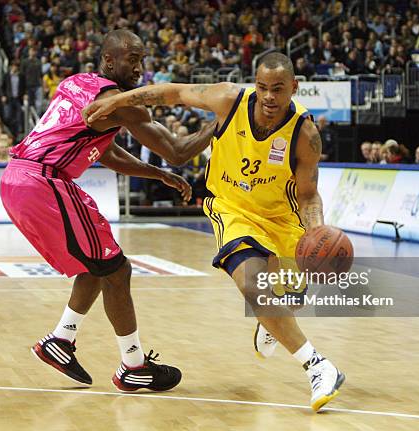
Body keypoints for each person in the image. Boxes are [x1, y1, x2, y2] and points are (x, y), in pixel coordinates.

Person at [84, 52, 345, 412]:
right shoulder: (227, 98)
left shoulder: (305, 134)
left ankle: (274, 319)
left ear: (294, 88)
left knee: (285, 297)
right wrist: (120, 99)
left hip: (283, 218)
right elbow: (172, 93)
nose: (269, 97)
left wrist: (317, 231)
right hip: (232, 209)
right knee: (252, 285)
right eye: (263, 87)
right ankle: (318, 366)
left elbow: (308, 194)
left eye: (278, 89)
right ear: (255, 84)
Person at [1, 30, 215, 392]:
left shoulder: (77, 83)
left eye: (142, 59)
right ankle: (133, 366)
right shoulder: (122, 103)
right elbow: (179, 150)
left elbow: (106, 152)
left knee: (98, 265)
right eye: (133, 59)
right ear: (109, 60)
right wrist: (223, 119)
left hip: (22, 181)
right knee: (117, 270)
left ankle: (61, 340)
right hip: (43, 183)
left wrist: (157, 173)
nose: (140, 67)